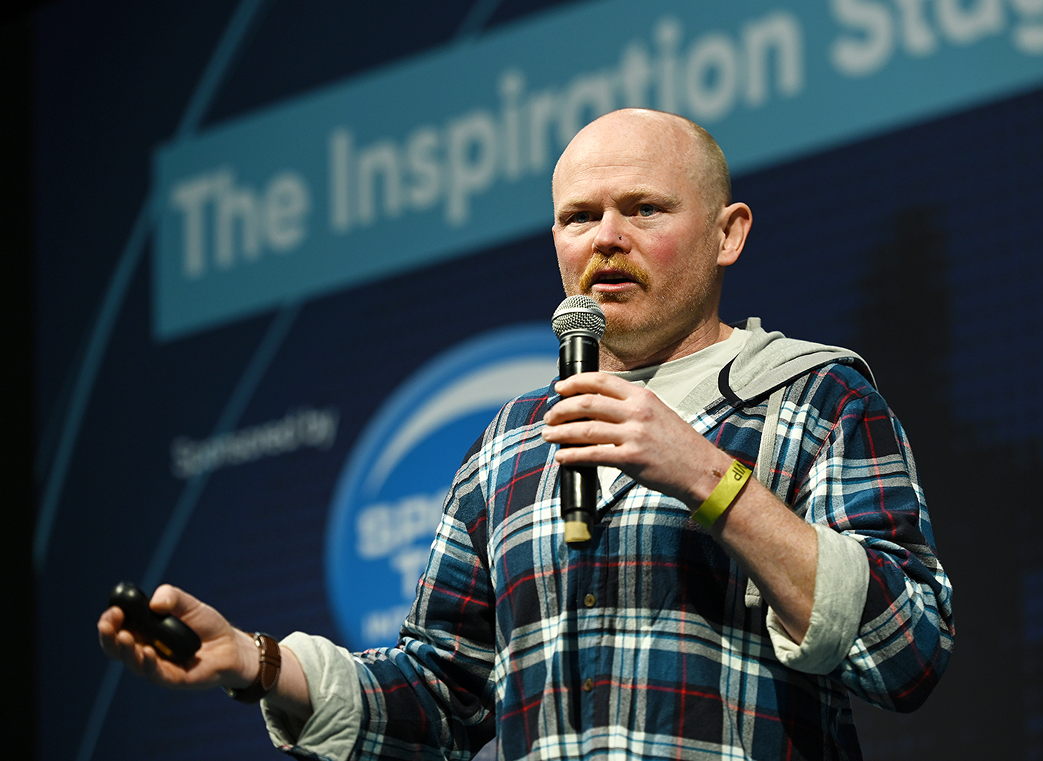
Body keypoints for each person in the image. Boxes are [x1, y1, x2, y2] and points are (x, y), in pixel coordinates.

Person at [99, 108, 954, 760]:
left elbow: (906, 650)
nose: (607, 240)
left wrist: (710, 477)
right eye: (580, 217)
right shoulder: (511, 444)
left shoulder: (815, 397)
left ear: (728, 233)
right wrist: (257, 662)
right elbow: (439, 692)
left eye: (645, 209)